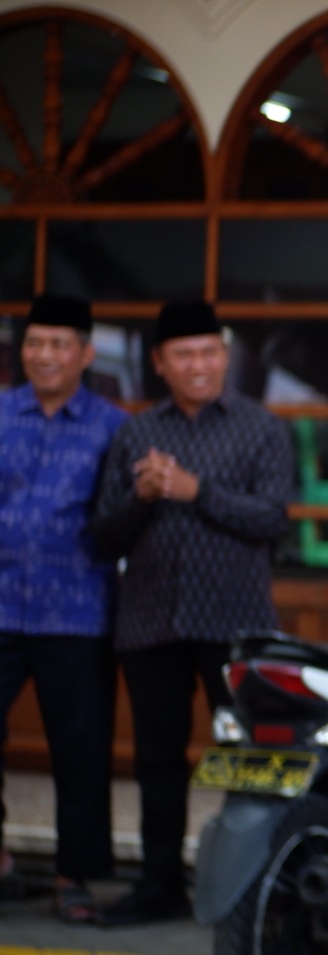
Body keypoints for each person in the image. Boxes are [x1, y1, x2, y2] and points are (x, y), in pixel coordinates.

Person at [90, 300, 294, 926]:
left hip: (234, 626)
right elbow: (103, 537)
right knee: (157, 760)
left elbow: (271, 519)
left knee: (251, 761)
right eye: (184, 354)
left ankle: (256, 890)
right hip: (152, 623)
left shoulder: (262, 428)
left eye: (209, 352)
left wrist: (195, 490)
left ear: (225, 357)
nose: (198, 365)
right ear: (159, 363)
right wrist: (144, 498)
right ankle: (159, 885)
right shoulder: (134, 433)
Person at [0, 295, 125, 924]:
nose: (43, 355)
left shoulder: (112, 426)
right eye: (34, 343)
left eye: (58, 344)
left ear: (84, 353)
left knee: (80, 751)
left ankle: (74, 876)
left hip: (77, 613)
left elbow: (122, 519)